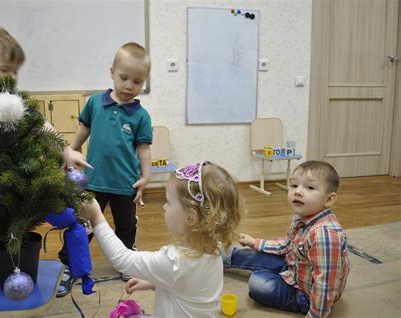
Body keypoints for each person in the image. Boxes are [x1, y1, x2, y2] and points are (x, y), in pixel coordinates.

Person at [80, 161, 243, 317]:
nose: (164, 206)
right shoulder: (215, 250)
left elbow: (122, 259)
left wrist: (96, 217)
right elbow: (190, 285)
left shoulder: (175, 263)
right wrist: (156, 282)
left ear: (190, 217)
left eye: (169, 202)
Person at [65, 42, 152, 281]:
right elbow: (84, 129)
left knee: (126, 227)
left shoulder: (141, 116)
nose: (129, 85)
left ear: (143, 83)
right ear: (112, 72)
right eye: (124, 77)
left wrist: (145, 176)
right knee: (83, 224)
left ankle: (126, 261)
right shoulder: (94, 102)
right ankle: (69, 263)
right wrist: (70, 152)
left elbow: (143, 149)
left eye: (137, 82)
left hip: (126, 183)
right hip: (93, 180)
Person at [223, 160, 350, 317]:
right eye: (294, 185)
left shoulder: (325, 235)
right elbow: (285, 244)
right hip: (293, 266)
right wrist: (254, 242)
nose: (298, 192)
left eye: (309, 187)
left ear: (329, 200)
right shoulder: (301, 216)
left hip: (305, 294)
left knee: (258, 284)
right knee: (251, 253)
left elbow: (325, 285)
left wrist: (315, 315)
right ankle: (220, 257)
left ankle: (287, 290)